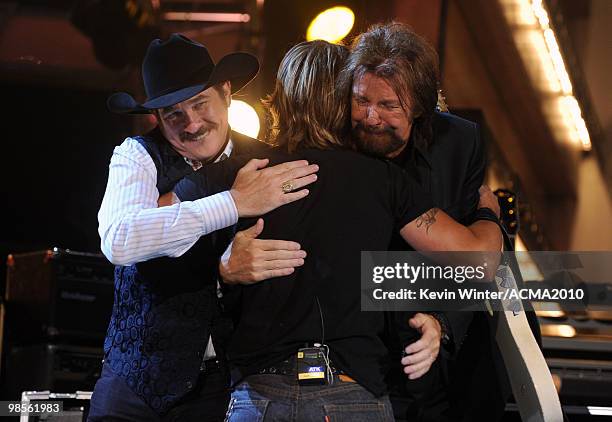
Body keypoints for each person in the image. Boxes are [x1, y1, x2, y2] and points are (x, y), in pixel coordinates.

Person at [171, 40, 502, 421]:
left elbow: (141, 234)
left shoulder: (238, 173)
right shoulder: (384, 180)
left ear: (280, 99)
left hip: (258, 397)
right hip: (352, 393)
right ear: (344, 100)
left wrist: (221, 247)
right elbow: (478, 260)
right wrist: (488, 214)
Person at [89, 34, 318, 421]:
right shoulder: (137, 156)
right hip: (132, 383)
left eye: (199, 103)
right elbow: (119, 241)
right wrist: (232, 204)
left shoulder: (267, 163)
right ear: (155, 118)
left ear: (226, 93)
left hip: (224, 386)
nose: (192, 123)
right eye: (174, 114)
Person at [342, 22, 537, 421]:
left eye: (388, 105)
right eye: (362, 101)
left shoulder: (460, 142)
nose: (371, 117)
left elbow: (479, 265)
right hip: (358, 339)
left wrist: (441, 322)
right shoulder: (339, 139)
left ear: (419, 105)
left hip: (444, 344)